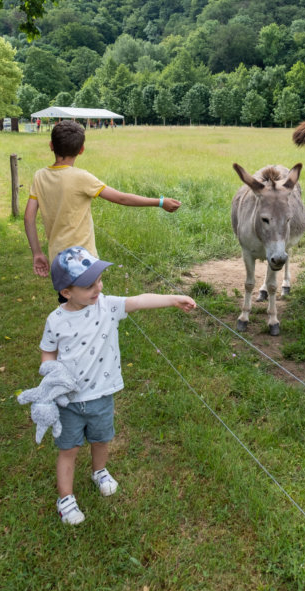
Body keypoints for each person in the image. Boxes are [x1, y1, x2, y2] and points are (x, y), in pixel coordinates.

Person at [38, 245, 196, 525]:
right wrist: (49, 373)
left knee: (101, 438)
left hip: (100, 395)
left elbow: (139, 301)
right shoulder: (56, 321)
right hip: (68, 401)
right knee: (68, 449)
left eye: (99, 280)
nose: (98, 287)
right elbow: (48, 350)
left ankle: (99, 471)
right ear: (66, 292)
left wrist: (173, 298)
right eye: (89, 285)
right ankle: (65, 498)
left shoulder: (107, 306)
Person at [24, 119, 182, 277]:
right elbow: (122, 199)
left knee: (68, 300)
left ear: (51, 145)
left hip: (57, 260)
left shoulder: (40, 176)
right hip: (84, 261)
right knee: (91, 300)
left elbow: (29, 218)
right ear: (81, 150)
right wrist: (160, 202)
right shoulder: (82, 177)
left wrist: (37, 253)